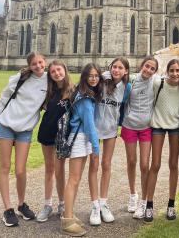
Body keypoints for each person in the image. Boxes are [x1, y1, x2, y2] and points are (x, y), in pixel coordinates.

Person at [0, 52, 48, 227]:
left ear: (45, 62)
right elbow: (3, 98)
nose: (38, 66)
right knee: (5, 167)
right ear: (29, 65)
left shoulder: (48, 80)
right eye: (34, 64)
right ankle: (8, 210)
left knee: (21, 170)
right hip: (6, 125)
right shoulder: (19, 78)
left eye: (40, 62)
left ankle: (21, 205)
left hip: (25, 130)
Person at [61, 63, 103, 237]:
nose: (93, 78)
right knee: (74, 180)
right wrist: (96, 148)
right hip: (79, 139)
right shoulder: (85, 98)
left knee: (75, 180)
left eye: (96, 76)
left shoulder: (84, 93)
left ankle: (69, 214)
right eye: (90, 76)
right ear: (85, 77)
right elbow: (90, 126)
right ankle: (67, 220)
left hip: (81, 138)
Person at [88, 57, 130, 225]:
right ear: (110, 67)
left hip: (111, 130)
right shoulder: (102, 80)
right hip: (94, 129)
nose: (116, 70)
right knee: (94, 164)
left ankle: (104, 202)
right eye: (114, 67)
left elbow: (124, 107)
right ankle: (94, 205)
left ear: (126, 71)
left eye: (120, 68)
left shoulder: (126, 87)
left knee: (106, 165)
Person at [144, 59, 179, 223]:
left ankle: (171, 204)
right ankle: (149, 205)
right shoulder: (158, 83)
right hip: (158, 125)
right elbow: (141, 78)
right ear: (167, 71)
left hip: (176, 127)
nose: (175, 74)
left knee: (173, 164)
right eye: (172, 70)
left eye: (178, 71)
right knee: (155, 165)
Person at [36, 60, 74, 222]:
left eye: (59, 70)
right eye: (53, 72)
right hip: (46, 133)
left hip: (61, 136)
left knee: (59, 171)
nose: (57, 73)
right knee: (49, 169)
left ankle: (62, 203)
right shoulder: (49, 91)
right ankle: (47, 204)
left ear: (64, 70)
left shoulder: (73, 91)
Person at [122, 56, 158, 219]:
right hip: (129, 125)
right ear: (141, 66)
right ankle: (132, 195)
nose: (148, 70)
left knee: (144, 165)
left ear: (155, 71)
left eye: (152, 68)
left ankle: (144, 202)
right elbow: (112, 76)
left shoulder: (156, 82)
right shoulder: (131, 80)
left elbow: (174, 79)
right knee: (131, 161)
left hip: (146, 128)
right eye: (147, 66)